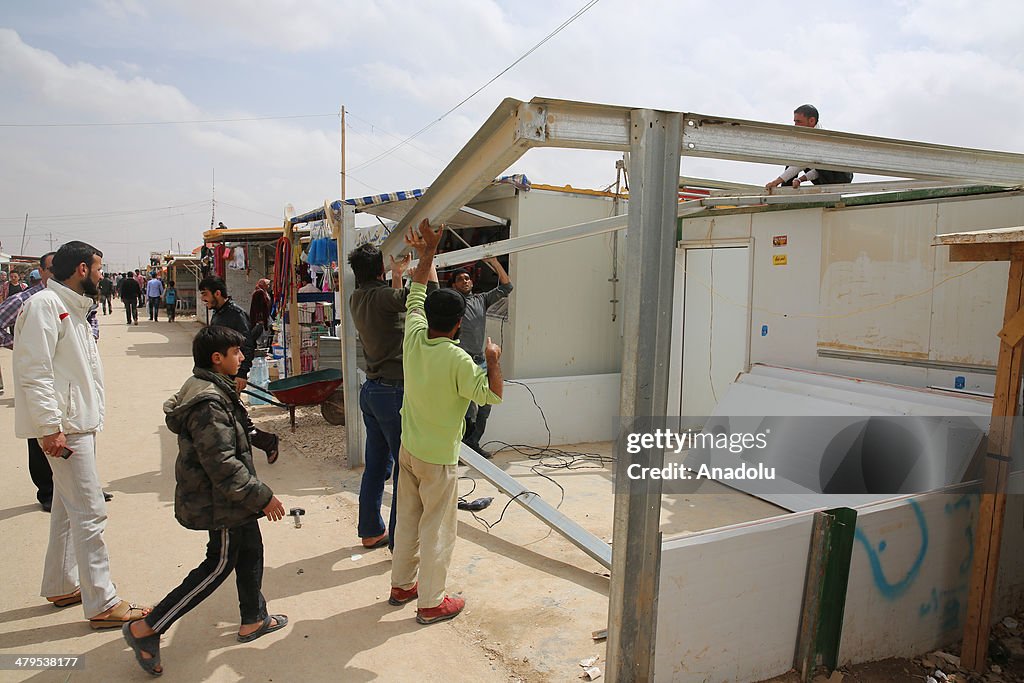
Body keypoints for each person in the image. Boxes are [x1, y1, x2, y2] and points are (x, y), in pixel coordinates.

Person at [123, 326, 288, 676]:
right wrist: (264, 496)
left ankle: (253, 618)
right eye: (236, 353)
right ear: (217, 359)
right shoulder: (208, 403)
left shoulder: (214, 388)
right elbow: (222, 464)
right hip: (222, 501)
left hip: (232, 497)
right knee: (217, 565)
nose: (242, 358)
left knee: (252, 549)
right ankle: (148, 627)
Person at [13, 240, 150, 628]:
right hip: (66, 429)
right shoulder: (43, 307)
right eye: (99, 269)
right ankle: (103, 602)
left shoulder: (70, 309)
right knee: (90, 513)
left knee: (66, 510)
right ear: (82, 271)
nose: (103, 277)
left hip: (74, 424)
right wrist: (49, 428)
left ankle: (60, 584)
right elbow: (33, 372)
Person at [389, 219, 503, 624]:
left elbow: (417, 291)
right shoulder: (458, 360)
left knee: (408, 520)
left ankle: (403, 584)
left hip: (409, 448)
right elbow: (491, 396)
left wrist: (427, 254)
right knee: (437, 529)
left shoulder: (415, 335)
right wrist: (491, 361)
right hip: (438, 459)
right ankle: (431, 602)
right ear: (459, 324)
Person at [347, 242, 438, 550]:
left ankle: (371, 530)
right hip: (393, 392)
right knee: (405, 470)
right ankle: (400, 542)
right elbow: (417, 299)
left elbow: (392, 309)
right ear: (379, 270)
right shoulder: (383, 297)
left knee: (375, 465)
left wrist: (397, 273)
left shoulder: (357, 297)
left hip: (372, 390)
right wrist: (428, 257)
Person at [198, 276, 280, 464]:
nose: (203, 299)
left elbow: (247, 343)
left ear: (217, 293)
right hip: (220, 373)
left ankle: (265, 443)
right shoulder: (219, 312)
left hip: (233, 373)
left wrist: (242, 373)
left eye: (205, 294)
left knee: (236, 417)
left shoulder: (235, 313)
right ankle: (264, 443)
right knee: (233, 415)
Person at [1, 253, 56, 510]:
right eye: (52, 268)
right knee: (38, 433)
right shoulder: (26, 299)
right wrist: (19, 346)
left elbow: (91, 323)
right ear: (41, 272)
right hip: (38, 373)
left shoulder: (70, 299)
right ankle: (46, 491)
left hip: (65, 376)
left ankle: (80, 487)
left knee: (74, 432)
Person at [450, 258, 513, 458]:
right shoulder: (452, 302)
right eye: (460, 280)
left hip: (481, 361)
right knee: (467, 410)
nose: (465, 281)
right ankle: (462, 450)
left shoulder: (481, 299)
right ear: (454, 285)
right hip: (463, 361)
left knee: (486, 406)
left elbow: (507, 286)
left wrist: (494, 262)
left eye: (467, 278)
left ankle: (473, 444)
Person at [764, 104, 854, 190]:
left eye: (799, 122)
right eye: (795, 121)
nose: (796, 126)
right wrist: (800, 180)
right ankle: (786, 191)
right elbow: (816, 169)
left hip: (840, 178)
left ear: (811, 121)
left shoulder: (821, 138)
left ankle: (784, 192)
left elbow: (801, 164)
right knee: (794, 157)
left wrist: (776, 182)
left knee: (799, 158)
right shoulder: (808, 137)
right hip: (824, 173)